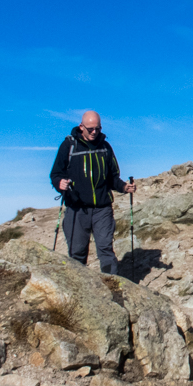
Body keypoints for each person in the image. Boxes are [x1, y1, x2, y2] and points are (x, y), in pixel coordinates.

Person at [49, 111, 136, 273]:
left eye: (98, 128)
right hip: (76, 209)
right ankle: (79, 293)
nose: (94, 132)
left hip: (102, 209)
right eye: (90, 129)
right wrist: (58, 183)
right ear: (81, 127)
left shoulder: (105, 147)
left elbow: (112, 177)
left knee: (105, 250)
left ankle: (113, 289)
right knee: (77, 253)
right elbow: (55, 173)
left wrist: (124, 187)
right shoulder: (69, 146)